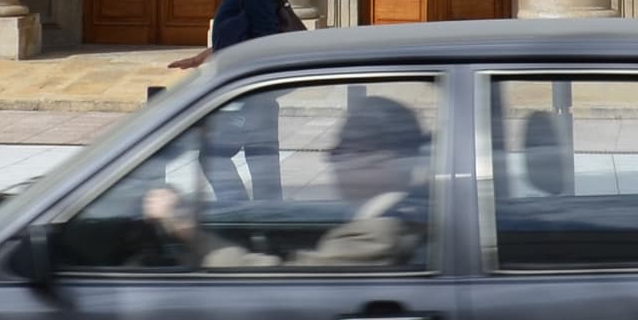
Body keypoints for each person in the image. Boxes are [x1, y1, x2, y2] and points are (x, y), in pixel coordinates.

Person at [144, 89, 430, 272]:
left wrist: (189, 230)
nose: (330, 156)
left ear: (382, 158)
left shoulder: (378, 236)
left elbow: (284, 281)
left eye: (344, 146)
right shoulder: (391, 213)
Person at [169, 0, 298, 205]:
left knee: (214, 156)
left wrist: (244, 79)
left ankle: (239, 215)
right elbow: (242, 34)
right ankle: (261, 227)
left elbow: (263, 36)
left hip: (254, 97)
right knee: (264, 175)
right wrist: (202, 57)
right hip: (256, 96)